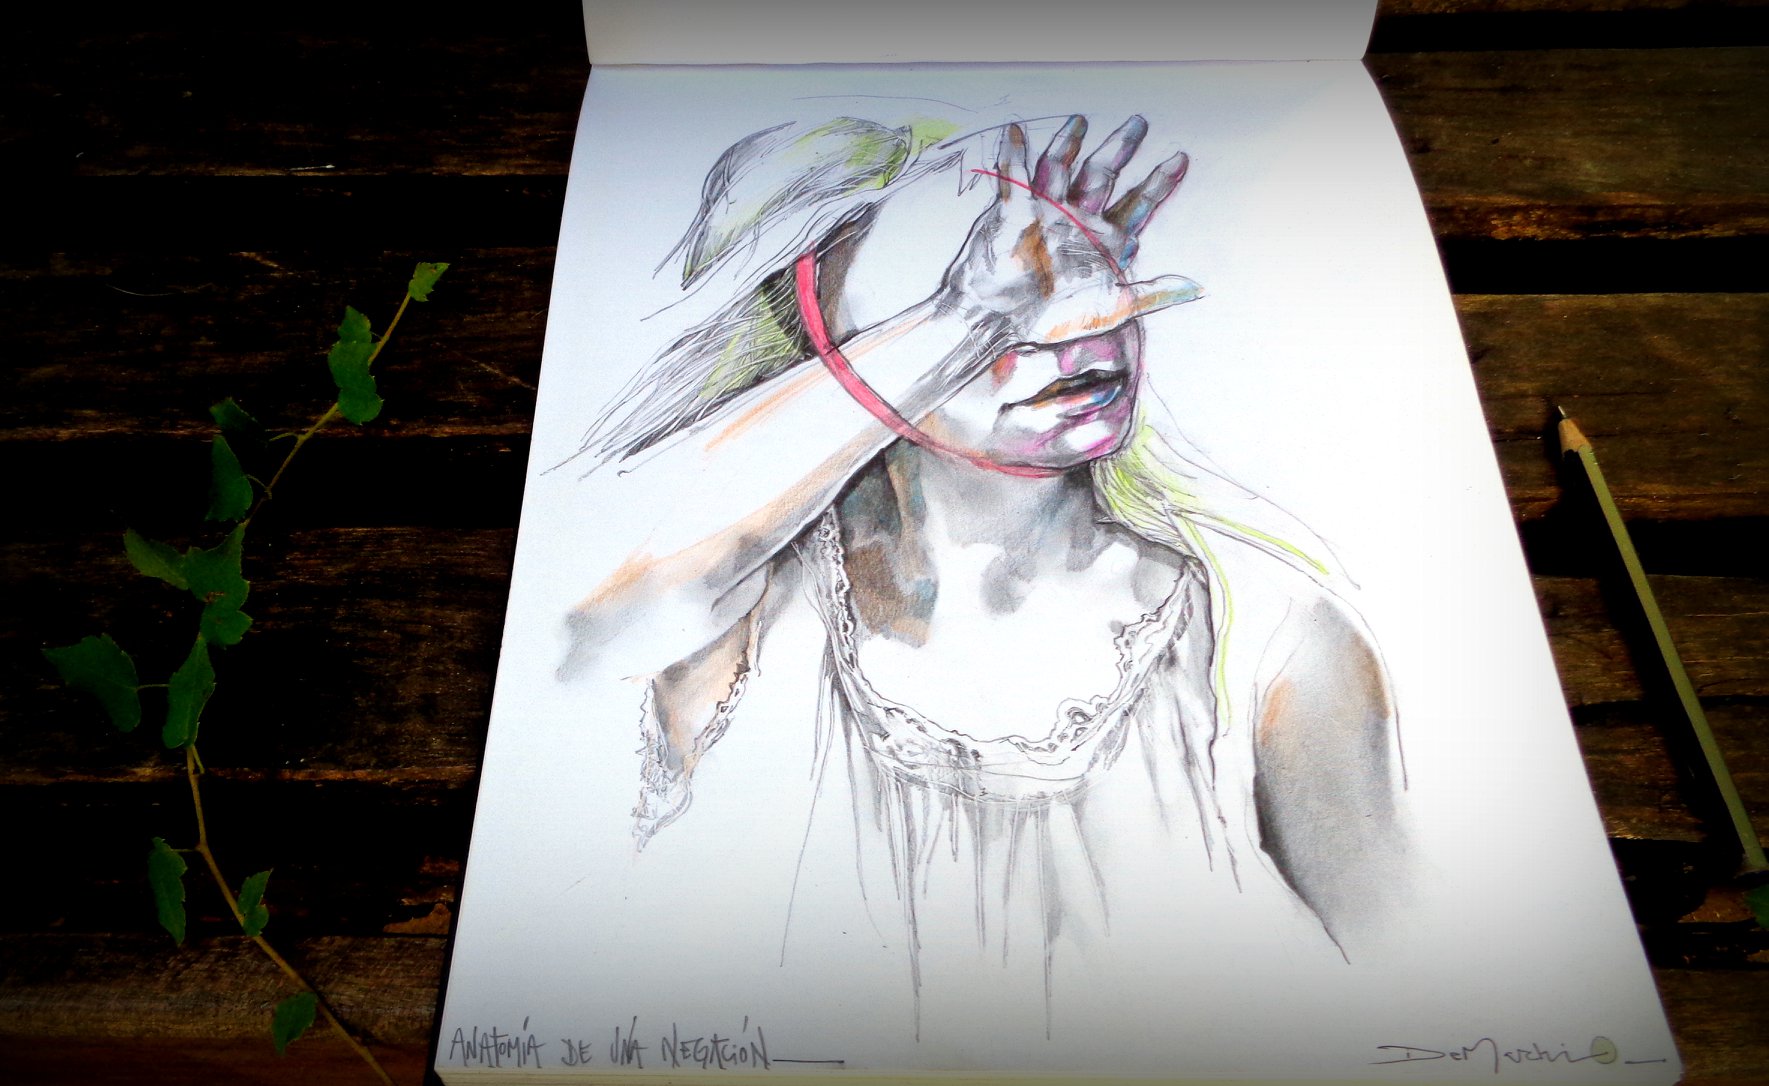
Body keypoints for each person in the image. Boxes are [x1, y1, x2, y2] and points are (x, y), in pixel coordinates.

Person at [553, 114, 1408, 986]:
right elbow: (574, 604)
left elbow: (1403, 965)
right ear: (856, 350)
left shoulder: (1264, 627)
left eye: (1095, 283)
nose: (1074, 336)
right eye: (1004, 309)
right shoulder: (741, 608)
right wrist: (961, 320)